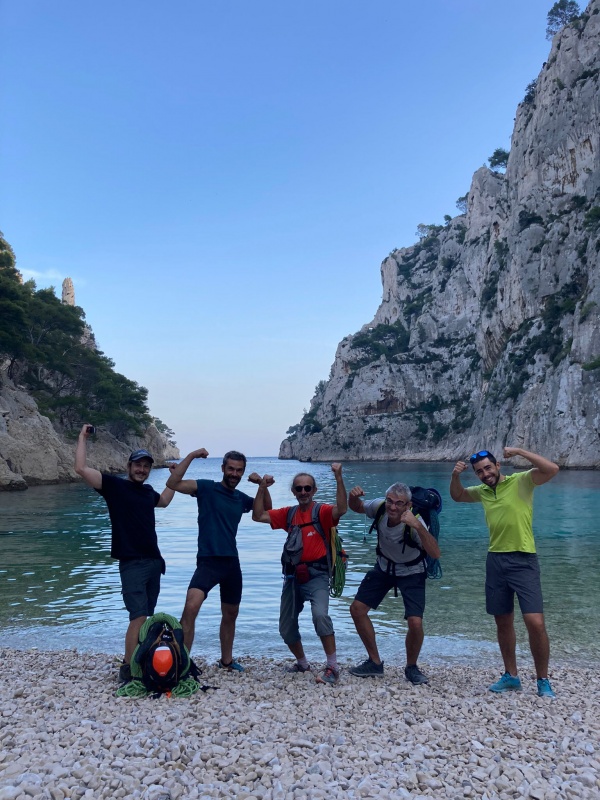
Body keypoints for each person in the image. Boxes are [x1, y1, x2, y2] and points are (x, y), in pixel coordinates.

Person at [450, 447, 559, 698]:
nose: (485, 474)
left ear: (498, 465)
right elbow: (457, 496)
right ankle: (511, 676)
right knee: (503, 620)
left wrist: (520, 451)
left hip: (524, 559)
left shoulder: (522, 481)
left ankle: (543, 679)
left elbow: (552, 469)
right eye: (479, 471)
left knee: (535, 622)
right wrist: (455, 476)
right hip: (496, 561)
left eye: (488, 468)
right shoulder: (483, 492)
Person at [75, 423, 175, 682]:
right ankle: (128, 669)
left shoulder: (147, 492)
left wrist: (176, 476)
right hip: (132, 563)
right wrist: (82, 438)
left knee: (146, 616)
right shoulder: (114, 487)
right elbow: (81, 469)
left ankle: (140, 659)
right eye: (137, 465)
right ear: (129, 466)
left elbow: (163, 501)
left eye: (146, 466)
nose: (142, 469)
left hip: (154, 562)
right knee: (138, 616)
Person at [166, 448, 272, 671]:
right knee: (191, 607)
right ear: (223, 468)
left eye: (239, 470)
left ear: (242, 473)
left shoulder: (240, 498)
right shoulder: (206, 488)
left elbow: (267, 510)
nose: (234, 473)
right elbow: (174, 483)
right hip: (208, 561)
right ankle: (182, 663)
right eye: (231, 469)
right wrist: (192, 456)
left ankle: (226, 661)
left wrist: (262, 485)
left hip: (232, 563)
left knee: (231, 613)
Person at [252, 464, 347, 684]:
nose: (303, 492)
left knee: (320, 616)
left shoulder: (321, 512)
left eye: (307, 488)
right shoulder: (289, 514)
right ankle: (303, 664)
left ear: (314, 490)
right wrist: (261, 487)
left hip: (318, 576)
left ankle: (332, 666)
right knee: (286, 627)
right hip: (293, 577)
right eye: (299, 489)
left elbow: (341, 509)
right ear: (293, 492)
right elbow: (258, 516)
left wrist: (339, 477)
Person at [347, 483, 441, 684]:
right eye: (390, 501)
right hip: (384, 568)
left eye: (399, 503)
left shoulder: (415, 523)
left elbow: (435, 553)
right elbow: (356, 507)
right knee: (357, 609)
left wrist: (416, 526)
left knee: (415, 622)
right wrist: (353, 497)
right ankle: (374, 662)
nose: (393, 507)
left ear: (408, 505)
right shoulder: (379, 507)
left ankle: (411, 667)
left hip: (412, 571)